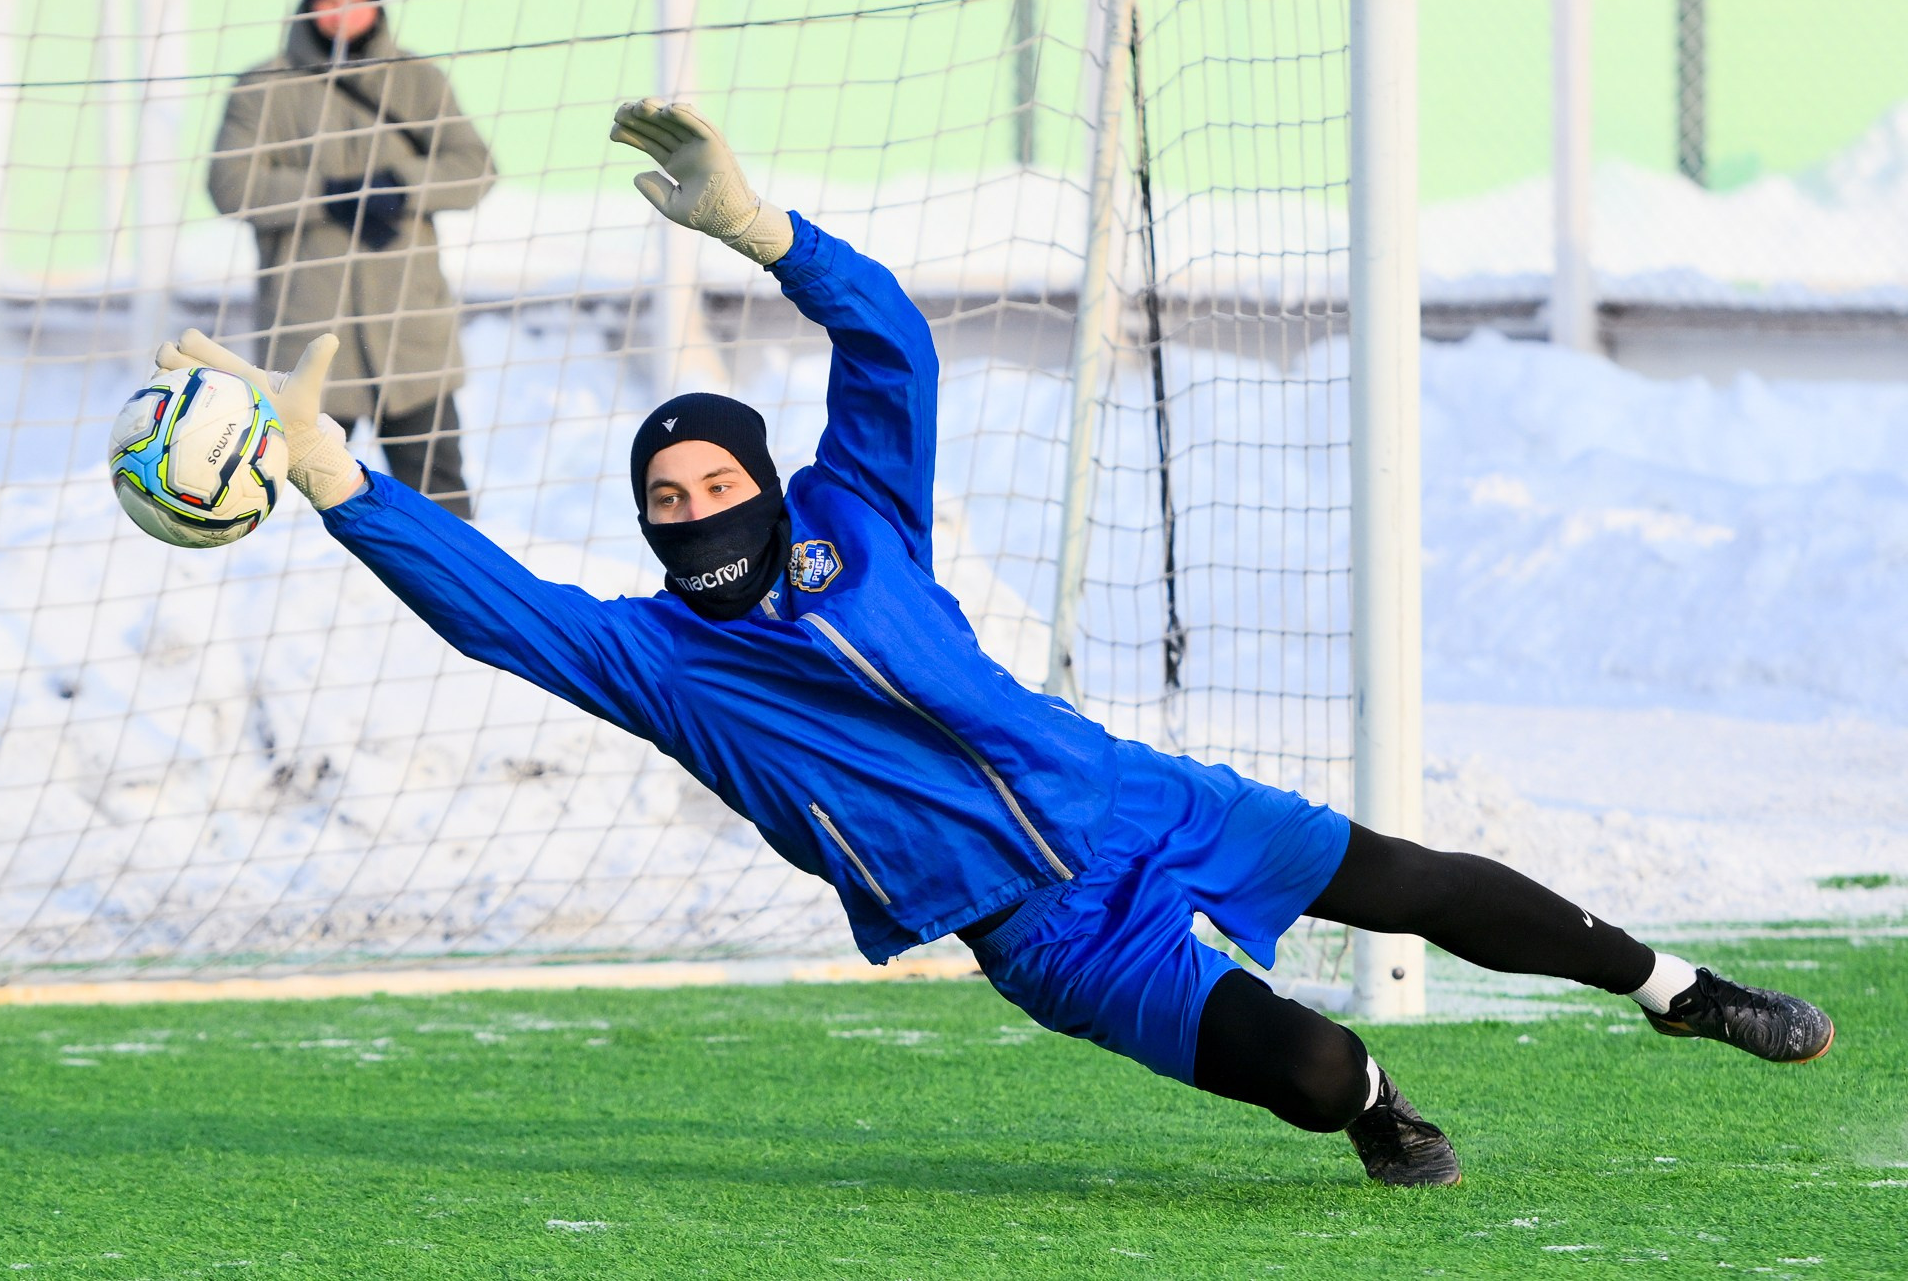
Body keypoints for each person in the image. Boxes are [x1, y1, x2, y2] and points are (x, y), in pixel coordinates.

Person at [159, 99, 1834, 1187]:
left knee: (1408, 875)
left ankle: (1675, 988)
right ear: (652, 519)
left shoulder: (855, 518)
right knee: (1315, 1073)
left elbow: (887, 340)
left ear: (759, 470)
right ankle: (1384, 1102)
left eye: (715, 471)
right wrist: (332, 476)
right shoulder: (658, 660)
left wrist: (760, 229)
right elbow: (489, 611)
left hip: (1132, 798)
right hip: (1044, 931)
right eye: (664, 492)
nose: (695, 502)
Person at [208, 0, 494, 518]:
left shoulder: (418, 79)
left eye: (355, 1)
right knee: (289, 501)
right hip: (309, 339)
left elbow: (475, 169)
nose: (342, 14)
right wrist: (329, 194)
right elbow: (230, 184)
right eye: (330, 0)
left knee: (444, 498)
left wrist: (404, 184)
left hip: (413, 337)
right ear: (311, 3)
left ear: (375, 4)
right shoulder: (262, 86)